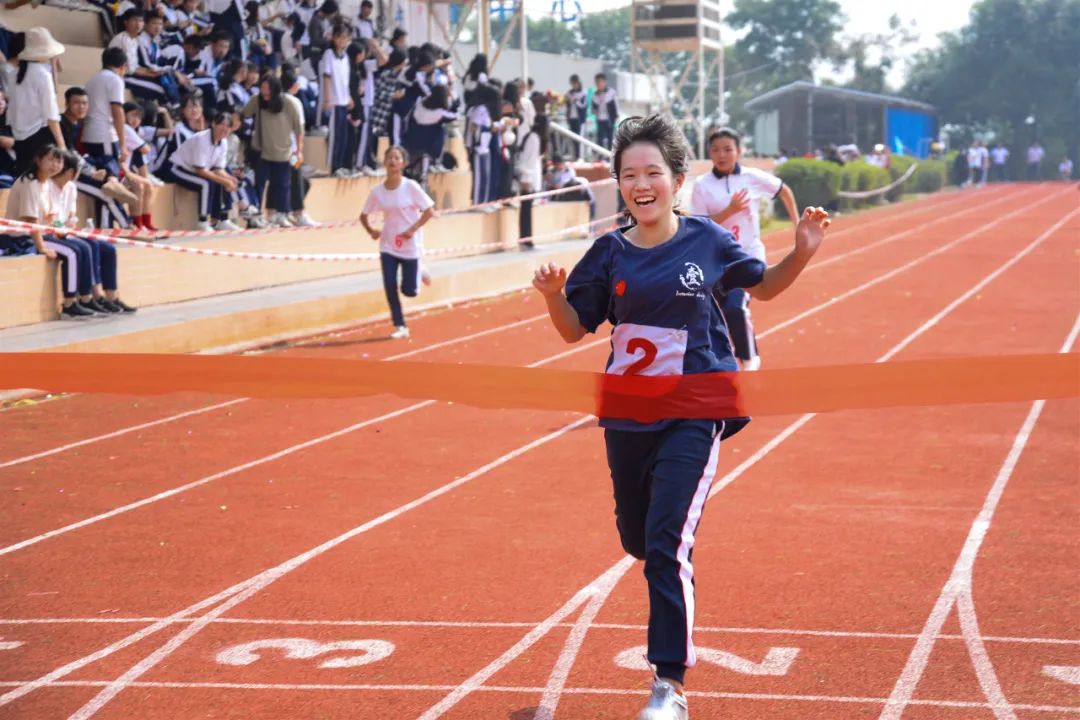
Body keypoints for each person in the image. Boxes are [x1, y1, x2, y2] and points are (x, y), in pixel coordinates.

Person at [531, 114, 830, 720]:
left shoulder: (707, 240)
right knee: (639, 539)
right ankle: (663, 569)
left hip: (696, 408)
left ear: (676, 180)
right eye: (629, 175)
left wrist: (801, 251)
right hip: (627, 416)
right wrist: (553, 296)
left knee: (667, 545)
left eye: (652, 173)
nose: (641, 185)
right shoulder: (608, 252)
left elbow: (764, 287)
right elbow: (571, 331)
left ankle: (669, 687)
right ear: (619, 184)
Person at [689, 127, 798, 372]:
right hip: (716, 260)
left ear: (738, 151)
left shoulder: (751, 177)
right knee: (710, 314)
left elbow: (784, 191)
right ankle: (717, 364)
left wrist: (797, 224)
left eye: (727, 149)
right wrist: (730, 210)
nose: (721, 155)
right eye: (715, 150)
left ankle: (749, 361)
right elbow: (699, 225)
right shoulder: (702, 185)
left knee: (735, 307)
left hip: (747, 256)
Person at [2, 144, 94, 317]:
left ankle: (85, 298)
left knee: (84, 247)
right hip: (22, 239)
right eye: (50, 159)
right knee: (71, 253)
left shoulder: (45, 183)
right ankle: (69, 302)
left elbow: (51, 217)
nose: (55, 165)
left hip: (44, 233)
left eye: (59, 161)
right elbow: (31, 221)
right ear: (38, 160)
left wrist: (62, 230)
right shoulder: (30, 183)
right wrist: (42, 247)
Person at [359, 145, 434, 339]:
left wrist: (412, 230)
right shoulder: (378, 191)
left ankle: (419, 269)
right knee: (390, 285)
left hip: (409, 245)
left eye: (397, 158)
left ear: (404, 164)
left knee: (409, 291)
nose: (393, 161)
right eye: (389, 157)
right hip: (388, 245)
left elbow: (429, 211)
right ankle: (400, 325)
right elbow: (363, 215)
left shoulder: (411, 187)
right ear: (384, 162)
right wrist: (371, 231)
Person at [50, 149, 137, 312]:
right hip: (52, 233)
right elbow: (52, 218)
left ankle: (112, 296)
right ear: (72, 172)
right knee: (88, 246)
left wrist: (71, 226)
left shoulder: (71, 188)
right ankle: (92, 296)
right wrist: (65, 227)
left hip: (66, 231)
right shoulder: (48, 187)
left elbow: (71, 216)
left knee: (108, 249)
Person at [244, 73, 304, 226]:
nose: (264, 93)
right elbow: (244, 113)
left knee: (283, 185)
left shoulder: (289, 103)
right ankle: (256, 214)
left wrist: (299, 150)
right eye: (262, 88)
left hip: (283, 152)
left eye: (267, 89)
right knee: (259, 185)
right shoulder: (257, 100)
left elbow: (299, 128)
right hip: (262, 151)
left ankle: (281, 214)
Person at [7, 27, 67, 176]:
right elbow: (51, 114)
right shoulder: (42, 75)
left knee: (25, 178)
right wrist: (62, 145)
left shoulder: (14, 74)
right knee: (40, 180)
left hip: (19, 136)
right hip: (39, 135)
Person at [168, 109, 239, 231]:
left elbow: (218, 168)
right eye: (222, 124)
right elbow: (200, 171)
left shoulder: (223, 142)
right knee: (205, 183)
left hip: (196, 170)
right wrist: (225, 181)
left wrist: (229, 178)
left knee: (224, 180)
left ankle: (221, 219)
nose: (225, 129)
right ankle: (203, 221)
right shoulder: (202, 139)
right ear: (213, 124)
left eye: (228, 126)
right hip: (179, 169)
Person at [591, 72, 618, 150]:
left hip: (609, 119)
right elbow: (593, 109)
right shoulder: (595, 95)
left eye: (600, 82)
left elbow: (616, 106)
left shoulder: (611, 92)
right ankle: (600, 154)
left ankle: (609, 154)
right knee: (600, 138)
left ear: (604, 82)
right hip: (600, 119)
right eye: (597, 82)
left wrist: (616, 117)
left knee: (610, 138)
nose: (598, 84)